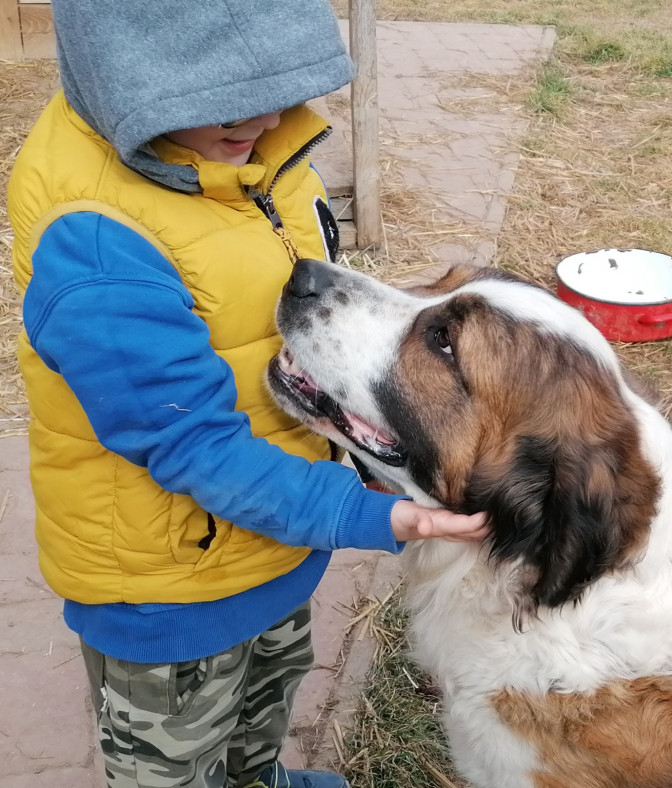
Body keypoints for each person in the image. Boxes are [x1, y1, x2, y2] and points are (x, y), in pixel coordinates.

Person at [7, 1, 489, 787]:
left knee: (264, 696)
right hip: (170, 591)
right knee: (178, 751)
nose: (266, 115)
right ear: (129, 73)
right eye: (224, 99)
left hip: (269, 538)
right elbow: (191, 445)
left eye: (278, 81)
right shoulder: (98, 243)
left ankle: (256, 775)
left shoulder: (244, 153)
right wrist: (368, 512)